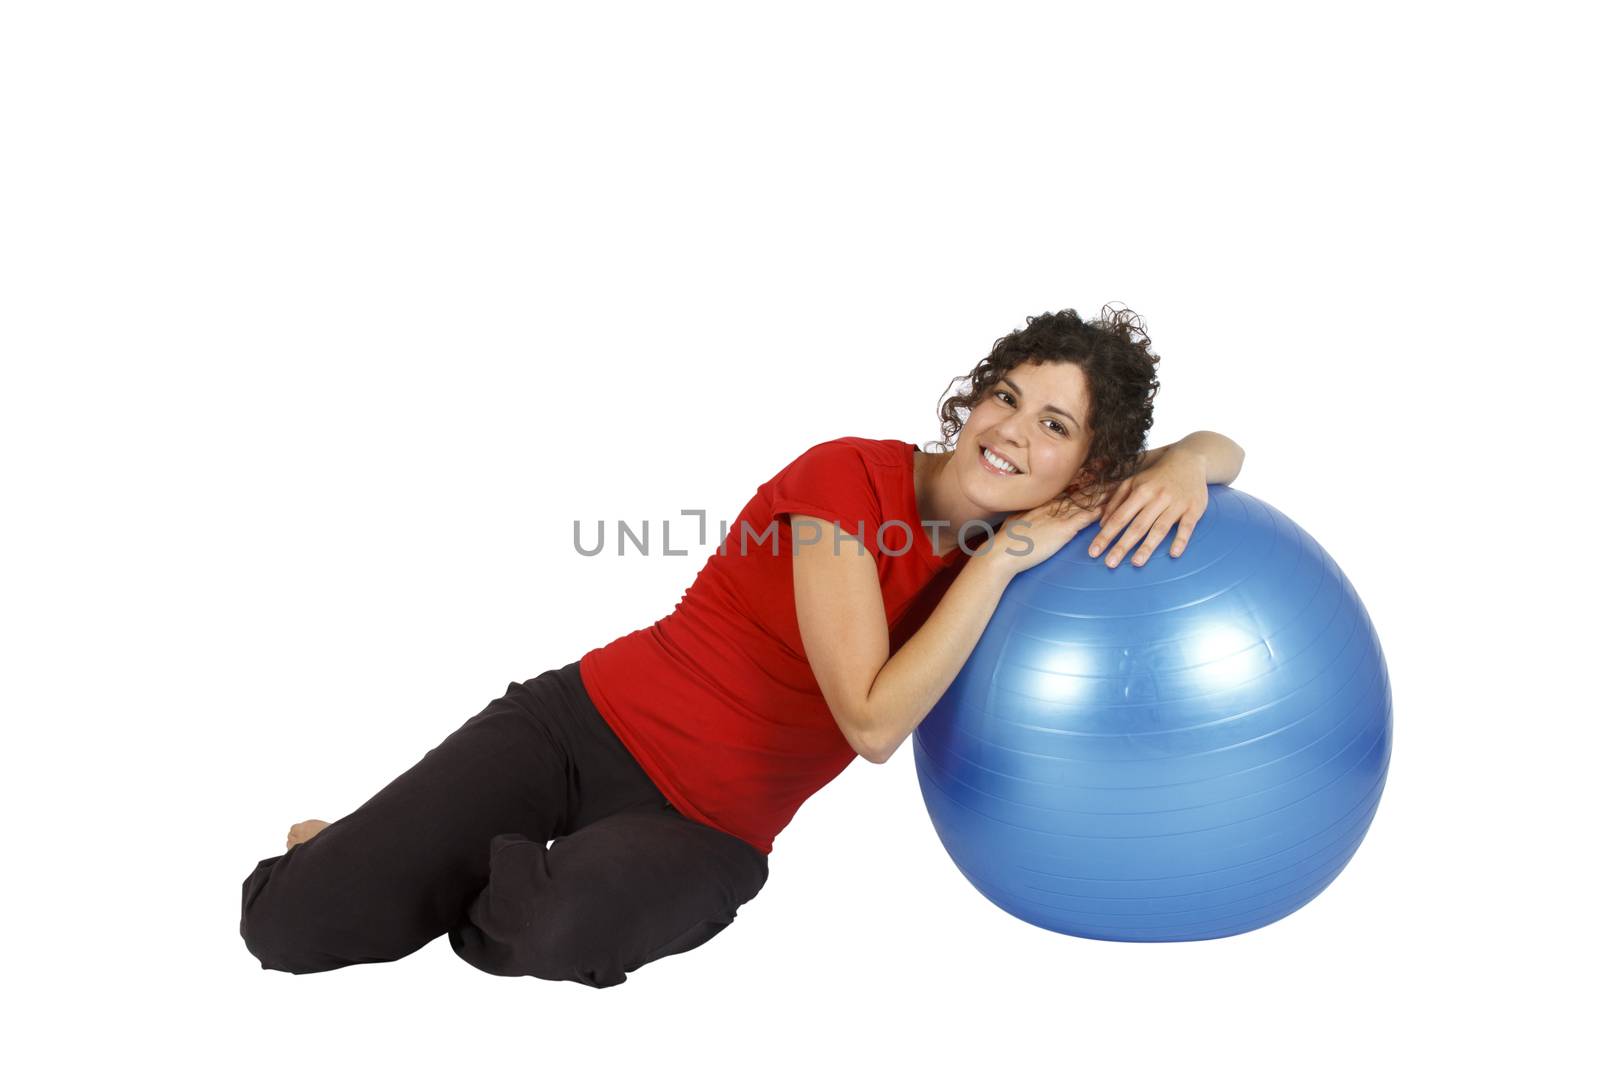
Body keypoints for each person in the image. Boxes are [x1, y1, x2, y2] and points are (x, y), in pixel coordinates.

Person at [238, 305, 1245, 987]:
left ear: (1089, 465)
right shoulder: (845, 480)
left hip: (709, 823)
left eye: (1054, 424)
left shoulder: (1047, 516)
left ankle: (481, 869)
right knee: (285, 929)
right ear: (974, 394)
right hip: (581, 723)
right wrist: (998, 561)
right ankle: (358, 855)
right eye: (1006, 396)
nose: (1011, 431)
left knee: (553, 929)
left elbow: (1222, 449)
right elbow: (870, 717)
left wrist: (1194, 461)